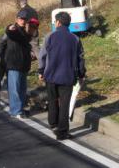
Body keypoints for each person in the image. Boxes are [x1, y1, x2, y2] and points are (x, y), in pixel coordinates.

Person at [39, 12, 86, 140]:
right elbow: (80, 58)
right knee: (64, 104)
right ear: (68, 24)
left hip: (51, 76)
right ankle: (62, 132)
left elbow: (42, 55)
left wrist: (41, 71)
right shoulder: (75, 39)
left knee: (53, 100)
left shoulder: (49, 36)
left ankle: (53, 124)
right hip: (67, 76)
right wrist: (81, 74)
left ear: (58, 22)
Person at [5, 11, 32, 119]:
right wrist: (9, 28)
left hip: (23, 65)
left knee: (22, 89)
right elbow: (10, 31)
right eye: (20, 19)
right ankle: (15, 111)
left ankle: (19, 109)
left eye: (24, 19)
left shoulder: (25, 32)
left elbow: (28, 42)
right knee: (14, 89)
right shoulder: (14, 29)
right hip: (14, 64)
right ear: (16, 19)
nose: (22, 21)